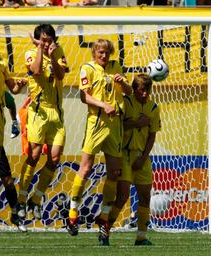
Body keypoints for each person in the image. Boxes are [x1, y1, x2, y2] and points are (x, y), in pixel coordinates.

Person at [66, 39, 132, 237]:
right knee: (85, 168)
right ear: (94, 53)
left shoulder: (115, 67)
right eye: (100, 53)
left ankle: (103, 217)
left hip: (115, 125)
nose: (104, 56)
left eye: (106, 53)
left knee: (114, 172)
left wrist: (124, 83)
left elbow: (129, 93)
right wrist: (104, 105)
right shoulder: (87, 68)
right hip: (97, 122)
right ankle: (72, 215)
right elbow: (84, 96)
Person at [16, 24, 67, 221]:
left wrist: (53, 56)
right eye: (44, 40)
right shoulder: (31, 52)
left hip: (56, 112)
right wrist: (38, 48)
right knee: (35, 154)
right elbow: (36, 71)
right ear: (38, 40)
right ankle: (22, 199)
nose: (47, 44)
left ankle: (35, 199)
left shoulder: (58, 52)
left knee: (54, 159)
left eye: (50, 40)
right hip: (38, 111)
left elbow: (61, 75)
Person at [102, 74, 160, 246]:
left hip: (142, 156)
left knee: (145, 196)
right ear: (134, 89)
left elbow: (152, 135)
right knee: (122, 196)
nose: (144, 94)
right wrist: (136, 123)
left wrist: (143, 158)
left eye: (147, 90)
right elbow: (118, 126)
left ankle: (141, 237)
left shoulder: (154, 107)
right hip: (124, 154)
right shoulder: (125, 103)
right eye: (141, 90)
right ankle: (105, 232)